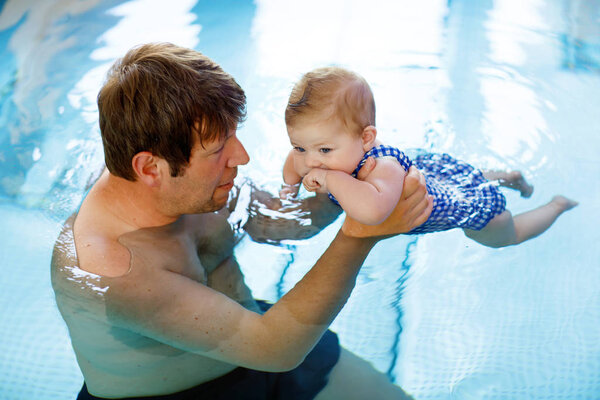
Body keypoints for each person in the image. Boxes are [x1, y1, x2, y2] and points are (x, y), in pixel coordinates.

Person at [51, 43, 433, 400]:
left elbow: (277, 224)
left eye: (233, 136)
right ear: (150, 167)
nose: (242, 156)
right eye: (219, 148)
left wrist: (352, 184)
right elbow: (275, 349)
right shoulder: (110, 269)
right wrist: (360, 235)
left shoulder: (191, 185)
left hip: (259, 335)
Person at [280, 66, 578, 248]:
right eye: (300, 146)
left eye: (323, 151)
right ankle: (506, 177)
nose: (310, 161)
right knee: (467, 178)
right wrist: (288, 189)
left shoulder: (383, 169)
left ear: (366, 138)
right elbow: (293, 164)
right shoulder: (321, 152)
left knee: (507, 236)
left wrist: (331, 180)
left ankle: (557, 205)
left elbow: (372, 213)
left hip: (466, 208)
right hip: (438, 178)